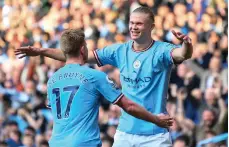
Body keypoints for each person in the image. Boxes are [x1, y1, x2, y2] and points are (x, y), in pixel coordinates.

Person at [15, 6, 193, 147]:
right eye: (131, 23)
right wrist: (41, 51)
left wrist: (186, 44)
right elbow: (75, 55)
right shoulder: (118, 50)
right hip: (125, 133)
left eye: (139, 23)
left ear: (151, 27)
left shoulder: (161, 50)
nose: (133, 27)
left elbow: (182, 55)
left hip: (155, 133)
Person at [44, 29, 173, 147]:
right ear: (83, 49)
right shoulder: (93, 76)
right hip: (84, 142)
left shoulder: (52, 80)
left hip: (56, 142)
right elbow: (129, 106)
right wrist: (156, 119)